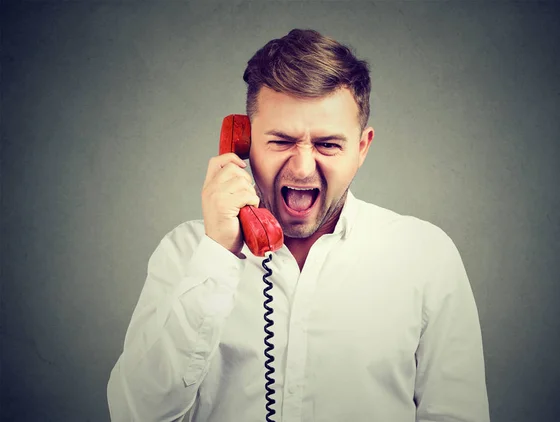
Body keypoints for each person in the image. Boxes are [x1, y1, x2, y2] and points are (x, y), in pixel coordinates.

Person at [107, 28, 490, 422]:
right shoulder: (185, 254)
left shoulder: (426, 256)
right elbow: (135, 414)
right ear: (244, 141)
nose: (303, 167)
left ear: (362, 149)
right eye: (281, 141)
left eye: (328, 144)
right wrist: (218, 255)